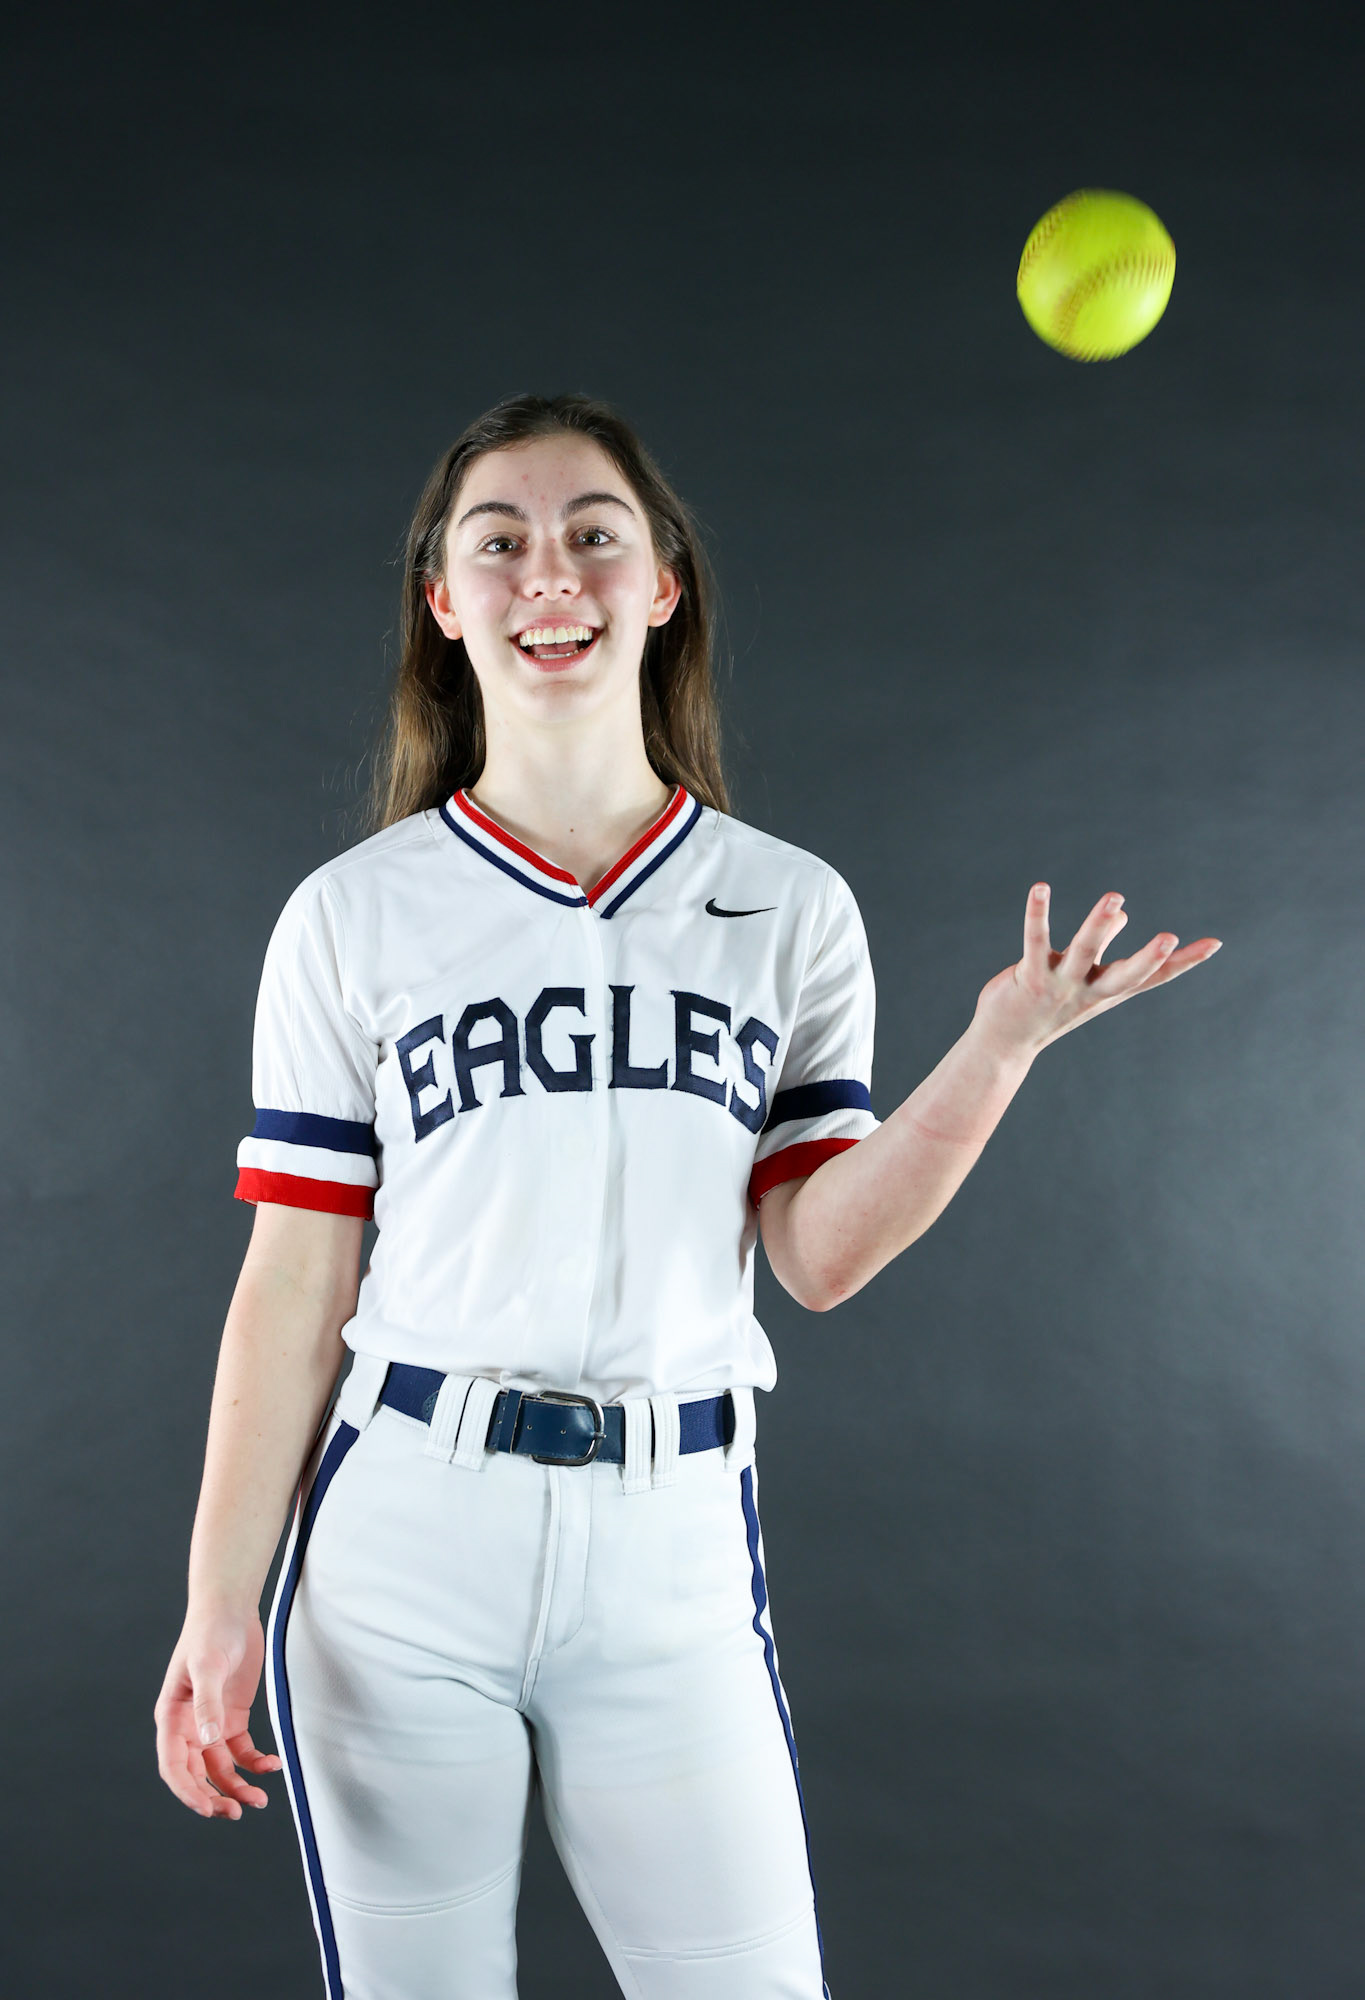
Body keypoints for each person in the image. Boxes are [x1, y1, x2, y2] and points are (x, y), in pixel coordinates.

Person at [153, 392, 1221, 1999]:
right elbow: (295, 1279)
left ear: (662, 585)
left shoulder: (786, 905)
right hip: (400, 1542)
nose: (548, 570)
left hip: (671, 1546)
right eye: (498, 541)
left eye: (594, 533)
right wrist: (218, 1602)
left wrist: (995, 1050)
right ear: (442, 603)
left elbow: (818, 1255)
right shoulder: (351, 915)